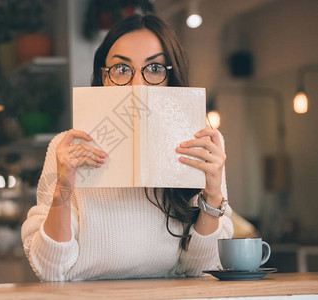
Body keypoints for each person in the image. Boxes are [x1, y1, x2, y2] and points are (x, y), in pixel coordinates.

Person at [21, 14, 233, 282]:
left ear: (172, 76)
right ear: (104, 77)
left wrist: (212, 196)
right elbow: (51, 270)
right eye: (122, 69)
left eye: (154, 69)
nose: (137, 85)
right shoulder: (67, 148)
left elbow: (201, 269)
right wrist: (64, 186)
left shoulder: (203, 145)